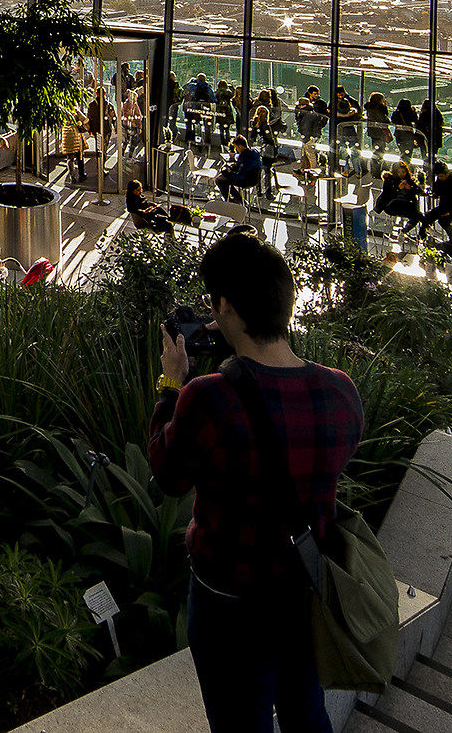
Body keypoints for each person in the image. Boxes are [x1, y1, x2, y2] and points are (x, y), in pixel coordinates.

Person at [150, 232, 364, 733]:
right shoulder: (340, 390)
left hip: (229, 597)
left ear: (224, 305)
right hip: (302, 587)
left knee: (240, 721)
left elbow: (168, 475)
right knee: (306, 709)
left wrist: (170, 385)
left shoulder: (207, 397)